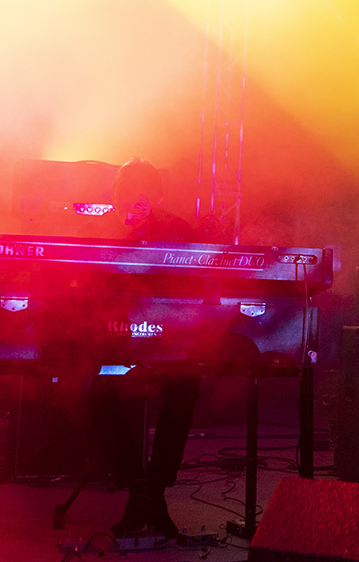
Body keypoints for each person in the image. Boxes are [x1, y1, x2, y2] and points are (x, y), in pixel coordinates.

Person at [88, 158, 199, 538]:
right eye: (125, 197)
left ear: (156, 198)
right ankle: (139, 488)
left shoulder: (178, 230)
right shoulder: (101, 228)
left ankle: (153, 490)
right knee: (97, 391)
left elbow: (194, 289)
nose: (132, 205)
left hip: (166, 339)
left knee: (186, 386)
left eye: (142, 198)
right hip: (114, 338)